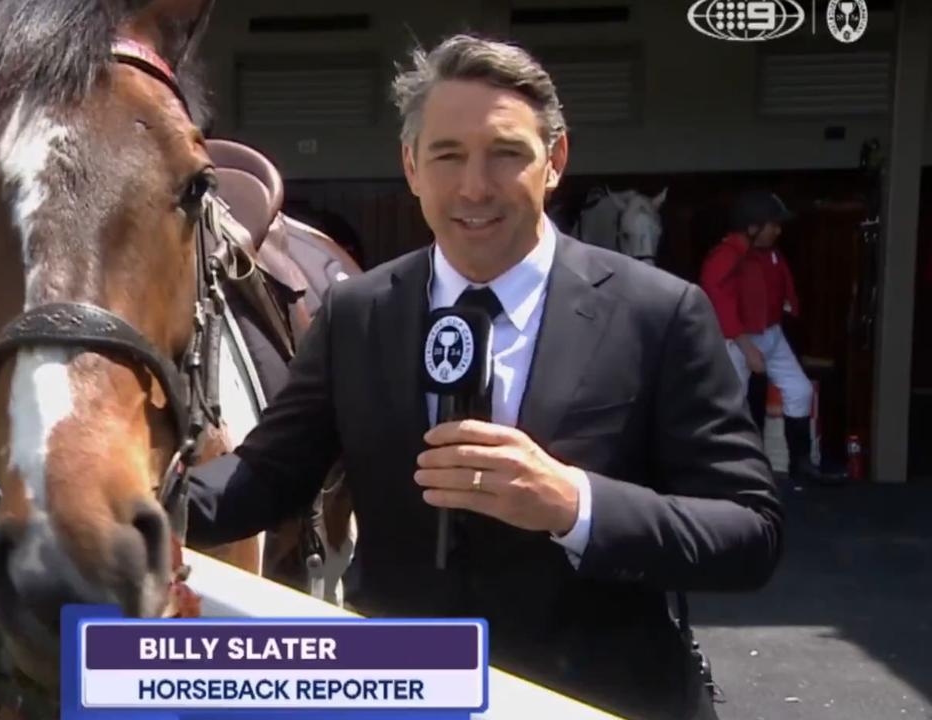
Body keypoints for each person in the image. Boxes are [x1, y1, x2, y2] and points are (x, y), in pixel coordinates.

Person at [187, 35, 782, 720]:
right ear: (411, 166)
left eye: (506, 154)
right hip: (404, 695)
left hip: (594, 700)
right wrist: (120, 506)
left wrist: (574, 505)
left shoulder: (659, 313)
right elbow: (264, 478)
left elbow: (750, 533)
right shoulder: (358, 313)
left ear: (554, 162)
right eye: (447, 155)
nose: (474, 186)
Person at [699, 190, 838, 485]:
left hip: (771, 334)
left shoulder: (769, 253)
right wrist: (746, 346)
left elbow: (779, 286)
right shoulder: (725, 257)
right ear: (752, 227)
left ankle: (800, 464)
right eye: (772, 224)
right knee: (733, 403)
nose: (778, 229)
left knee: (799, 391)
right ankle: (732, 470)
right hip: (735, 340)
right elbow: (719, 300)